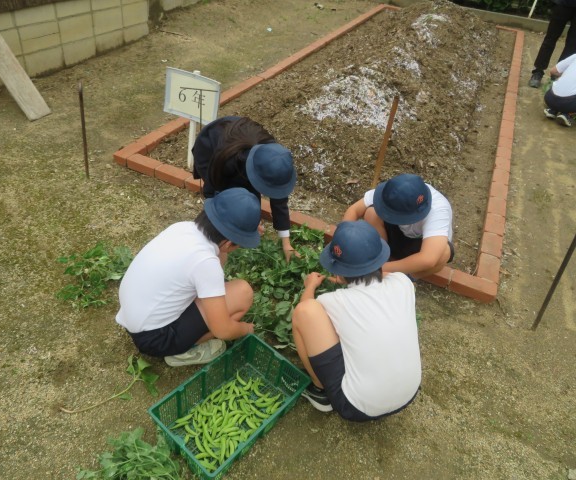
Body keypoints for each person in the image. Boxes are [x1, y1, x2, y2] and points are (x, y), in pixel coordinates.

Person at [115, 188, 261, 367]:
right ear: (229, 243)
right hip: (156, 339)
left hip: (134, 317)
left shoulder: (183, 227)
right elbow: (223, 330)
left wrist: (243, 232)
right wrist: (246, 329)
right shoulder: (205, 262)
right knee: (243, 293)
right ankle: (183, 351)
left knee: (218, 280)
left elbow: (218, 256)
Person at [292, 221, 421, 421]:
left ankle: (319, 390)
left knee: (304, 312)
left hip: (355, 407)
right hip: (409, 393)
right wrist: (349, 276)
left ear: (338, 272)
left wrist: (310, 286)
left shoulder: (334, 301)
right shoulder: (403, 282)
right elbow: (385, 276)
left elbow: (306, 306)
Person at [192, 115, 298, 262]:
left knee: (248, 201)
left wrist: (286, 243)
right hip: (209, 149)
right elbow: (215, 194)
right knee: (232, 200)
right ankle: (216, 244)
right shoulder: (227, 163)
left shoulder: (273, 159)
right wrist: (232, 229)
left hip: (240, 150)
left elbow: (279, 198)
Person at [342, 174, 453, 278]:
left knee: (443, 253)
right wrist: (342, 244)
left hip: (417, 248)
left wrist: (377, 270)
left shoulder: (438, 210)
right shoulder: (393, 192)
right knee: (372, 213)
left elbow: (428, 259)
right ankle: (381, 257)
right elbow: (354, 210)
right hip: (395, 236)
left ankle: (407, 278)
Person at [528, 0, 576, 88]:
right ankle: (538, 72)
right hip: (563, 4)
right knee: (550, 38)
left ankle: (557, 76)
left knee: (572, 45)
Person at [543, 53, 576, 126]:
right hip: (570, 103)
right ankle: (567, 114)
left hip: (550, 97)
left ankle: (552, 110)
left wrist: (565, 75)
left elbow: (553, 71)